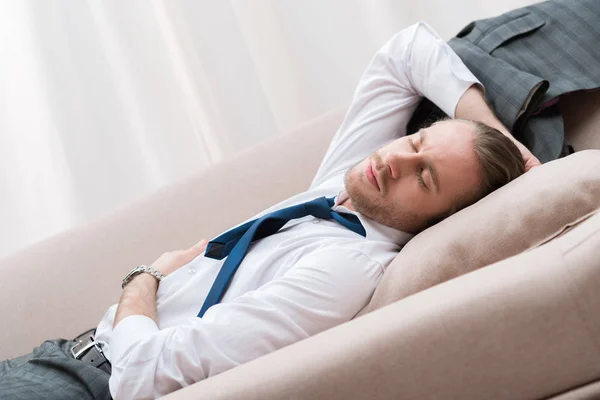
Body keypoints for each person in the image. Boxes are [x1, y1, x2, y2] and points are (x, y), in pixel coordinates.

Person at [0, 21, 537, 400]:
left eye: (425, 177)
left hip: (88, 385)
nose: (396, 159)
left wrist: (143, 279)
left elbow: (142, 377)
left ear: (440, 219)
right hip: (60, 354)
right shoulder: (346, 187)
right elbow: (405, 52)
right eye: (417, 141)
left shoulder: (343, 267)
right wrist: (501, 138)